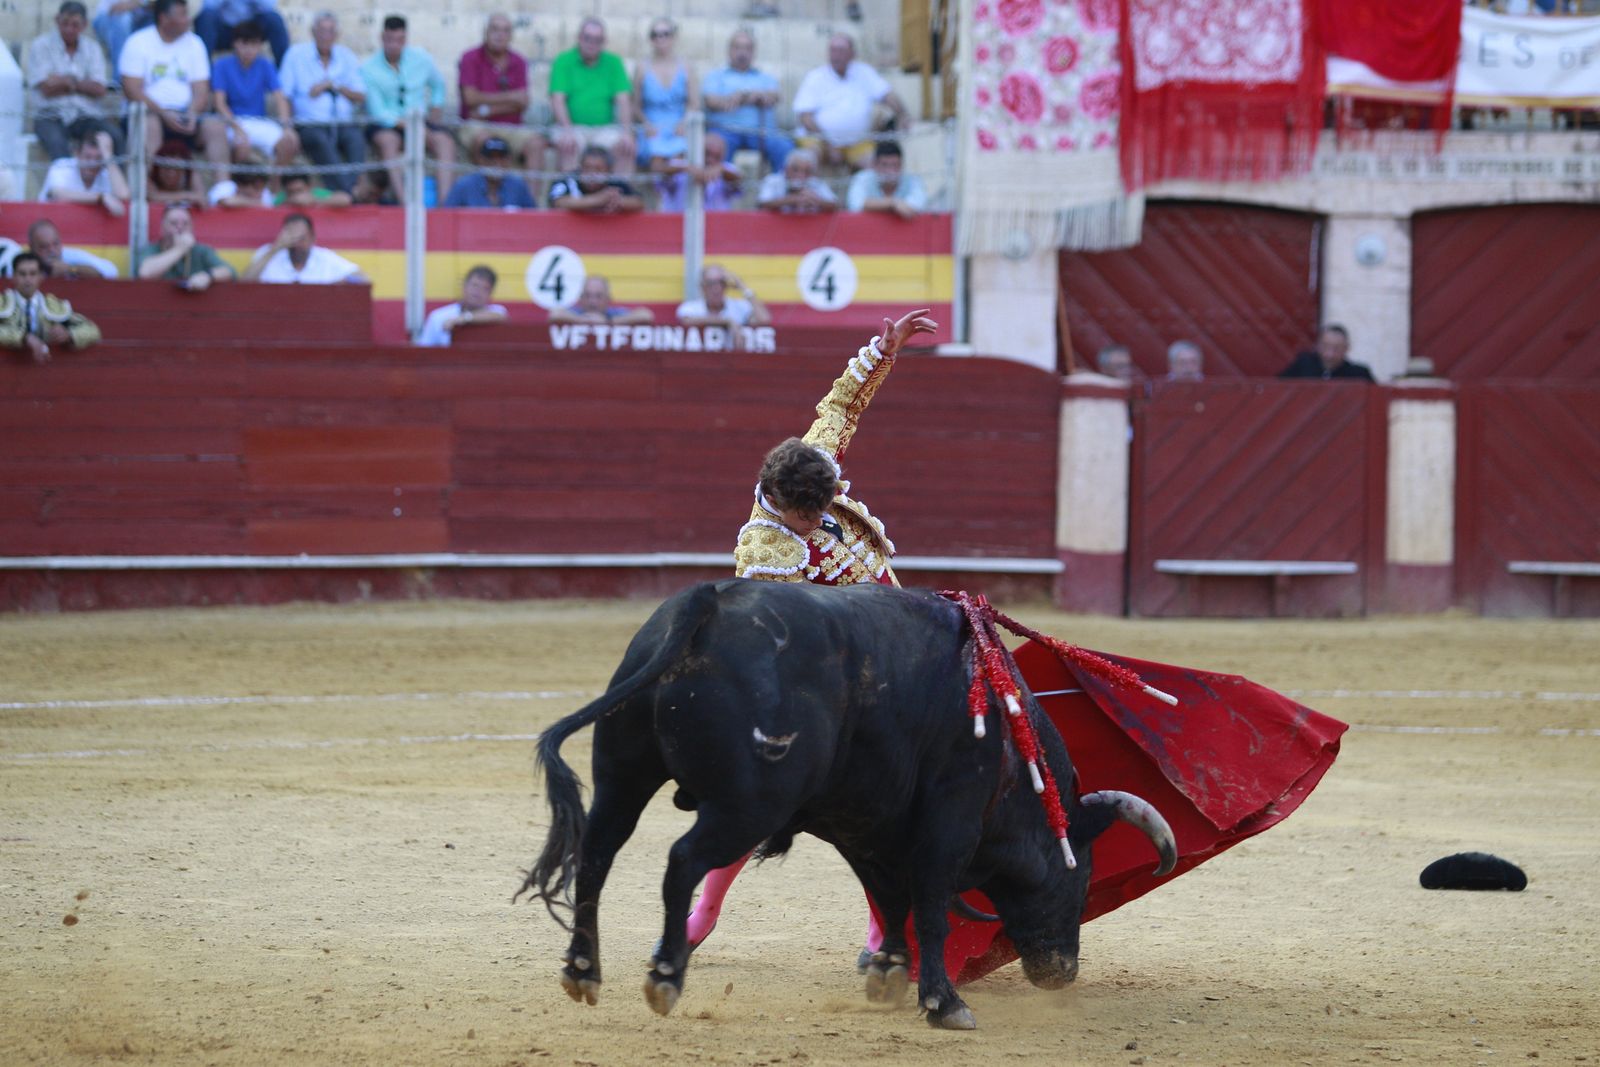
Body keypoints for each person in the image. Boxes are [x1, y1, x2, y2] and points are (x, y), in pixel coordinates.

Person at [681, 309, 937, 957]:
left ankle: (886, 932)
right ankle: (704, 913)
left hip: (894, 645)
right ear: (778, 501)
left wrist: (884, 348)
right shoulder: (765, 547)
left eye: (825, 506)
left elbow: (841, 405)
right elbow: (781, 632)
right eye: (810, 515)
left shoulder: (807, 469)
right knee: (778, 804)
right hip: (841, 680)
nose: (820, 520)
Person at [118, 0, 228, 180]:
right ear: (164, 18)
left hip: (184, 115)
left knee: (215, 127)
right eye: (183, 15)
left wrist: (193, 113)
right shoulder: (137, 42)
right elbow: (131, 90)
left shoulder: (195, 43)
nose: (188, 19)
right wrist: (163, 113)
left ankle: (223, 189)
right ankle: (151, 186)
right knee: (150, 124)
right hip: (149, 113)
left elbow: (201, 89)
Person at [361, 15, 457, 203]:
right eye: (390, 40)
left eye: (399, 40)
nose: (394, 45)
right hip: (389, 124)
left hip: (418, 121)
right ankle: (404, 202)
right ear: (382, 38)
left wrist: (436, 105)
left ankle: (445, 204)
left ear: (405, 39)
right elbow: (377, 112)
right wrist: (408, 126)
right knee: (389, 143)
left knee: (445, 142)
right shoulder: (368, 69)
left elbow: (438, 84)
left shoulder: (421, 59)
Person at [278, 11, 367, 195]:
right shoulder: (296, 55)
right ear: (313, 32)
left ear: (336, 35)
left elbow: (360, 95)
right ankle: (349, 192)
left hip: (342, 123)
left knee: (356, 140)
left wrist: (335, 86)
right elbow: (283, 94)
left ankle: (347, 191)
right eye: (322, 31)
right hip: (309, 124)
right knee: (319, 141)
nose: (326, 36)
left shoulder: (347, 57)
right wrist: (287, 127)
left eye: (330, 31)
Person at [792, 34, 910, 170]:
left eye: (840, 51)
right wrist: (829, 144)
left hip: (857, 142)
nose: (836, 55)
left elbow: (887, 95)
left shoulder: (865, 72)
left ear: (852, 54)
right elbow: (805, 117)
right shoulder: (815, 77)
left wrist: (903, 115)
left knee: (877, 168)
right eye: (832, 50)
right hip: (819, 141)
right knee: (806, 161)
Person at [28, 1, 123, 164]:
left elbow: (100, 89)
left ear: (84, 25)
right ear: (57, 20)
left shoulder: (92, 48)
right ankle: (63, 189)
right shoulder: (40, 45)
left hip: (85, 115)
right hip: (49, 115)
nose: (68, 29)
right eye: (64, 23)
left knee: (115, 136)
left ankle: (117, 189)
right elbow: (46, 89)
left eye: (75, 25)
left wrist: (65, 81)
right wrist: (82, 84)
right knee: (58, 145)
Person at [457, 13, 546, 188]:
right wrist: (510, 97)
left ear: (511, 35)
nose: (500, 35)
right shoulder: (470, 57)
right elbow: (470, 98)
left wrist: (486, 110)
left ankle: (531, 206)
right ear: (485, 32)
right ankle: (486, 199)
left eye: (505, 31)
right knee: (485, 140)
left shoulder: (519, 61)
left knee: (536, 143)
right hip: (476, 127)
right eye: (495, 29)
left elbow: (523, 102)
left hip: (511, 128)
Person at [209, 18, 301, 172]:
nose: (249, 49)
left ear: (260, 45)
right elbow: (219, 103)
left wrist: (287, 127)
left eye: (254, 44)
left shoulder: (265, 65)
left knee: (290, 143)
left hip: (259, 121)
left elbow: (280, 98)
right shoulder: (222, 65)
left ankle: (273, 189)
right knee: (241, 146)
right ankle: (240, 191)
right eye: (245, 43)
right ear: (235, 43)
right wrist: (237, 128)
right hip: (232, 122)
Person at [549, 18, 636, 177]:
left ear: (604, 42)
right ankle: (572, 198)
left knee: (625, 147)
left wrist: (626, 132)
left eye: (597, 40)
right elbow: (557, 100)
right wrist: (567, 131)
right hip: (572, 127)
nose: (591, 43)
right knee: (569, 145)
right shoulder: (563, 60)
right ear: (579, 38)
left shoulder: (614, 62)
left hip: (604, 129)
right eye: (587, 38)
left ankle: (620, 195)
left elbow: (623, 100)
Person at [702, 29, 791, 173]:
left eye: (747, 48)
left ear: (754, 52)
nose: (742, 53)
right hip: (725, 132)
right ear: (729, 50)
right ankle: (718, 194)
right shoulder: (716, 76)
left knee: (784, 146)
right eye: (737, 47)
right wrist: (752, 97)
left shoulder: (765, 78)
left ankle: (779, 192)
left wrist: (741, 97)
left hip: (760, 133)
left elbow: (774, 97)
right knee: (713, 147)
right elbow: (711, 101)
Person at [0, 253, 103, 363]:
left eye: (33, 274)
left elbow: (93, 330)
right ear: (13, 276)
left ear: (41, 277)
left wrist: (69, 334)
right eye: (22, 274)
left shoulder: (52, 305)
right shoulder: (2, 302)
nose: (28, 279)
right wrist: (25, 338)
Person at [634, 17, 697, 174]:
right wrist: (646, 124)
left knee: (679, 153)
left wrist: (684, 122)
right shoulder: (642, 67)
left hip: (678, 124)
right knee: (656, 155)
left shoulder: (686, 66)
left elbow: (694, 103)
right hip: (652, 125)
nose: (660, 38)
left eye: (665, 34)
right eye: (655, 34)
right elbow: (635, 106)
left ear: (674, 37)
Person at [242, 213, 367, 284]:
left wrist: (334, 286)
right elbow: (245, 282)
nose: (296, 244)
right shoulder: (268, 253)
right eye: (291, 238)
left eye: (301, 238)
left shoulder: (325, 257)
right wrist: (277, 247)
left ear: (312, 238)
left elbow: (362, 279)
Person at [137, 203, 235, 289]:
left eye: (185, 224)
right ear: (162, 227)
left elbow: (229, 272)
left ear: (192, 228)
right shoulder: (151, 249)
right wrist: (180, 248)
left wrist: (207, 276)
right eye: (173, 223)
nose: (180, 228)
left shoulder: (201, 250)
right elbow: (145, 273)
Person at [38, 132, 129, 216]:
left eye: (98, 158)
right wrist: (100, 197)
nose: (93, 163)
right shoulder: (62, 166)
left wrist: (108, 155)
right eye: (87, 157)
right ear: (77, 155)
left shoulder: (105, 174)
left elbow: (123, 195)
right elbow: (58, 194)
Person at [415, 265, 508, 346]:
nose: (478, 292)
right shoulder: (438, 317)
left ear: (490, 293)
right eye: (474, 285)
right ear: (464, 286)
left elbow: (500, 315)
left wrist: (462, 319)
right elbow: (424, 350)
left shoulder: (496, 312)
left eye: (485, 288)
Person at [653, 131, 742, 213]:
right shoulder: (680, 165)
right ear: (698, 149)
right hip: (677, 224)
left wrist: (721, 170)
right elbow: (660, 170)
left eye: (717, 156)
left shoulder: (726, 168)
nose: (710, 160)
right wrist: (687, 169)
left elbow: (739, 179)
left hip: (717, 225)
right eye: (707, 153)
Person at [443, 136, 537, 209]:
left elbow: (533, 219)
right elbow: (446, 215)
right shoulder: (465, 186)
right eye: (490, 158)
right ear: (481, 160)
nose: (496, 163)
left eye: (501, 158)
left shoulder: (518, 186)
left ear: (509, 160)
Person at [548, 145, 643, 214]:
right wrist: (598, 200)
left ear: (608, 170)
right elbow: (558, 202)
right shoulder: (567, 179)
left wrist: (617, 200)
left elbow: (638, 202)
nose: (591, 174)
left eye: (598, 169)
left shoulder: (615, 181)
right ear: (580, 167)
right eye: (587, 168)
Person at [193, 0, 289, 68]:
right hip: (224, 31)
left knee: (274, 19)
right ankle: (204, 71)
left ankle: (283, 69)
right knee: (206, 17)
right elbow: (206, 5)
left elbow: (270, 5)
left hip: (251, 29)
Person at [675, 263, 771, 328]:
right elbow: (686, 321)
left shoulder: (738, 307)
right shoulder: (692, 308)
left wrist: (742, 286)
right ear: (702, 287)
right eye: (711, 283)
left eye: (721, 283)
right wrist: (727, 322)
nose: (716, 289)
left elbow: (764, 320)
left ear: (726, 286)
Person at [845, 140, 926, 217]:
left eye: (895, 165)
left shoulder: (912, 181)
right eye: (885, 165)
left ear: (901, 166)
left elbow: (916, 206)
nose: (890, 170)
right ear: (874, 165)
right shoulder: (862, 179)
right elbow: (856, 205)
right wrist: (892, 203)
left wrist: (884, 205)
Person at [24, 218, 118, 279]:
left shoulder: (72, 256)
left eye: (56, 244)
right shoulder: (23, 262)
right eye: (44, 247)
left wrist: (70, 269)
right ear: (32, 248)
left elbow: (111, 271)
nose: (52, 250)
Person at [1279, 325, 1375, 381]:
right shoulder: (1303, 365)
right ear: (1318, 345)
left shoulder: (1358, 375)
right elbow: (1278, 386)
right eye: (1326, 346)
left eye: (1337, 348)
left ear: (1347, 348)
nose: (1330, 354)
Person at [756, 148, 837, 214]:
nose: (801, 175)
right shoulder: (773, 180)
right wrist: (792, 199)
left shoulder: (816, 182)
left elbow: (835, 205)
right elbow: (762, 204)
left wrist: (817, 201)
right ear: (786, 168)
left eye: (807, 171)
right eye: (795, 170)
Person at [548, 275, 654, 325]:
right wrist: (582, 320)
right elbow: (554, 314)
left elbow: (646, 315)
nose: (592, 301)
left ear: (608, 299)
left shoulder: (614, 313)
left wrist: (607, 322)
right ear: (581, 298)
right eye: (588, 296)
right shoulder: (577, 313)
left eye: (598, 296)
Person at [93, 0, 154, 78]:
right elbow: (116, 9)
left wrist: (140, 3)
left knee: (159, 19)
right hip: (106, 17)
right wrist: (142, 3)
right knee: (123, 20)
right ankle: (119, 79)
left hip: (137, 19)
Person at [147, 139, 205, 206]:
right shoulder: (150, 178)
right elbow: (153, 197)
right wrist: (187, 196)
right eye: (166, 167)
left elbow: (201, 199)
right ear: (158, 168)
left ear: (184, 170)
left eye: (177, 168)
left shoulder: (190, 175)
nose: (171, 173)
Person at [208, 150, 274, 208]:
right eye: (256, 187)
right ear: (240, 185)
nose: (260, 192)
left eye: (260, 188)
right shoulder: (224, 187)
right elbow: (225, 202)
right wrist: (255, 203)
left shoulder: (265, 193)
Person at [276, 170, 353, 208]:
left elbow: (346, 199)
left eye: (299, 190)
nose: (297, 195)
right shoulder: (282, 197)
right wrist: (290, 202)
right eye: (291, 192)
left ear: (309, 187)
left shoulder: (317, 193)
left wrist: (315, 201)